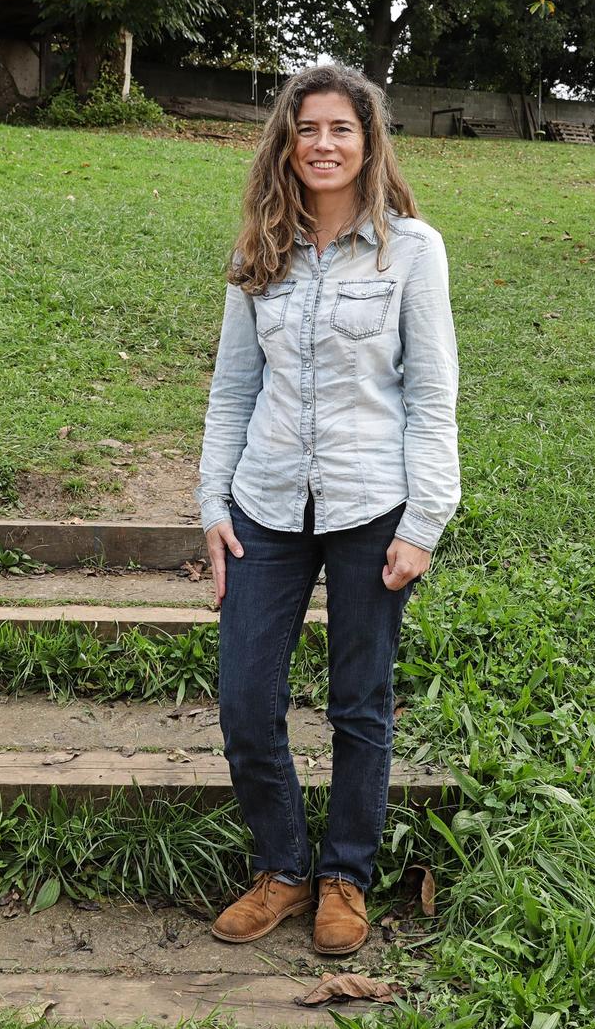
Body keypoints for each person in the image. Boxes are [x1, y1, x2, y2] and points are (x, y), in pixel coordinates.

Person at [197, 63, 460, 958]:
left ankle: (345, 877)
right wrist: (211, 503)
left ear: (368, 140)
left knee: (361, 703)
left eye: (340, 129)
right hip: (266, 505)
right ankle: (282, 867)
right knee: (244, 702)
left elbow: (432, 397)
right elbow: (232, 392)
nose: (322, 144)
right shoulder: (257, 252)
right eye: (307, 129)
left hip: (368, 508)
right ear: (286, 141)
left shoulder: (412, 250)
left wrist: (423, 522)